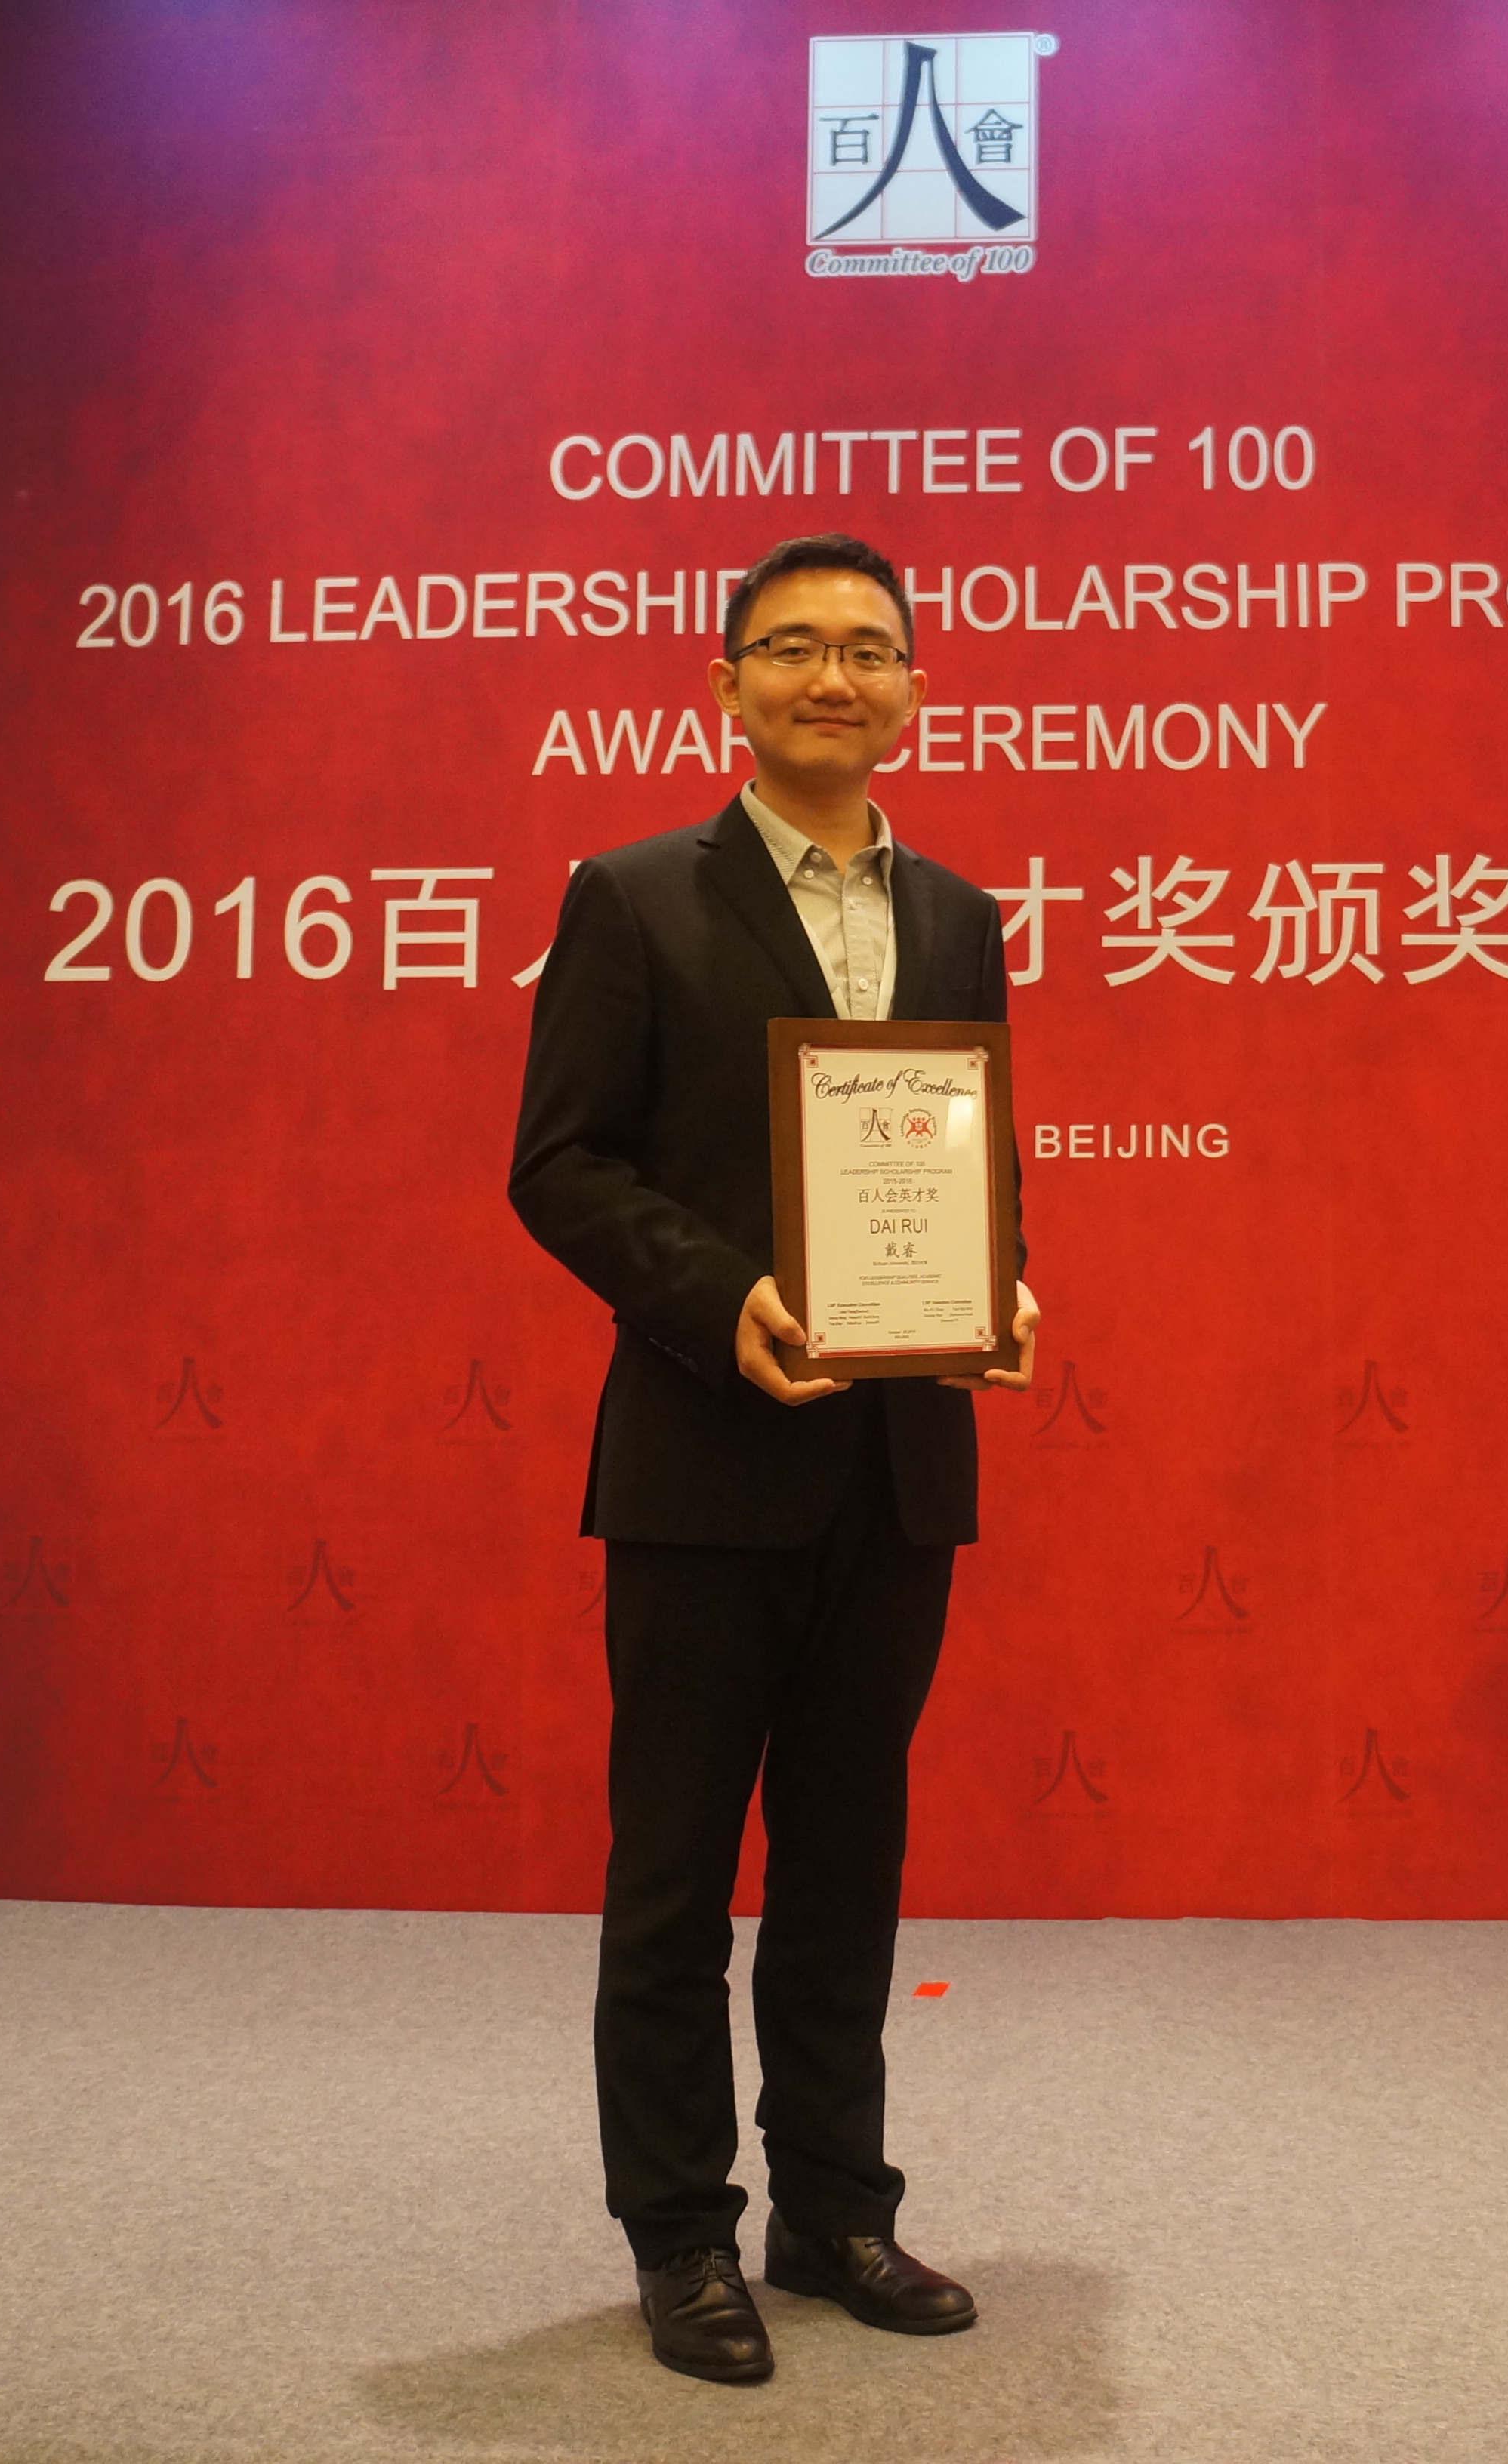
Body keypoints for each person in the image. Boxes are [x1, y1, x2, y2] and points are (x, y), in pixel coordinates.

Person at [507, 532, 1040, 2385]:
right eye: (793, 647)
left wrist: (1000, 1284)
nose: (834, 677)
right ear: (725, 682)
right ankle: (679, 2236)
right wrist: (717, 1294)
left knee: (844, 1866)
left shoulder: (959, 913)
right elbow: (560, 1165)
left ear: (914, 690)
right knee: (673, 1876)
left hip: (897, 1465)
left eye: (869, 650)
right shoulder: (633, 897)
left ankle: (833, 2208)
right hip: (701, 1457)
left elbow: (965, 1149)